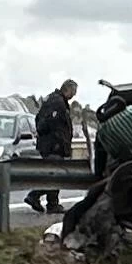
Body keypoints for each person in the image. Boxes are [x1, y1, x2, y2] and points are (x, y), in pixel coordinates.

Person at [29, 77, 80, 211]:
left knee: (53, 173)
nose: (73, 96)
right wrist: (60, 143)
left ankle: (50, 202)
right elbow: (55, 125)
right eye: (73, 92)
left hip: (50, 143)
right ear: (68, 90)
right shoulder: (58, 103)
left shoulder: (52, 100)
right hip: (53, 145)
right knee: (55, 174)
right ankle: (41, 198)